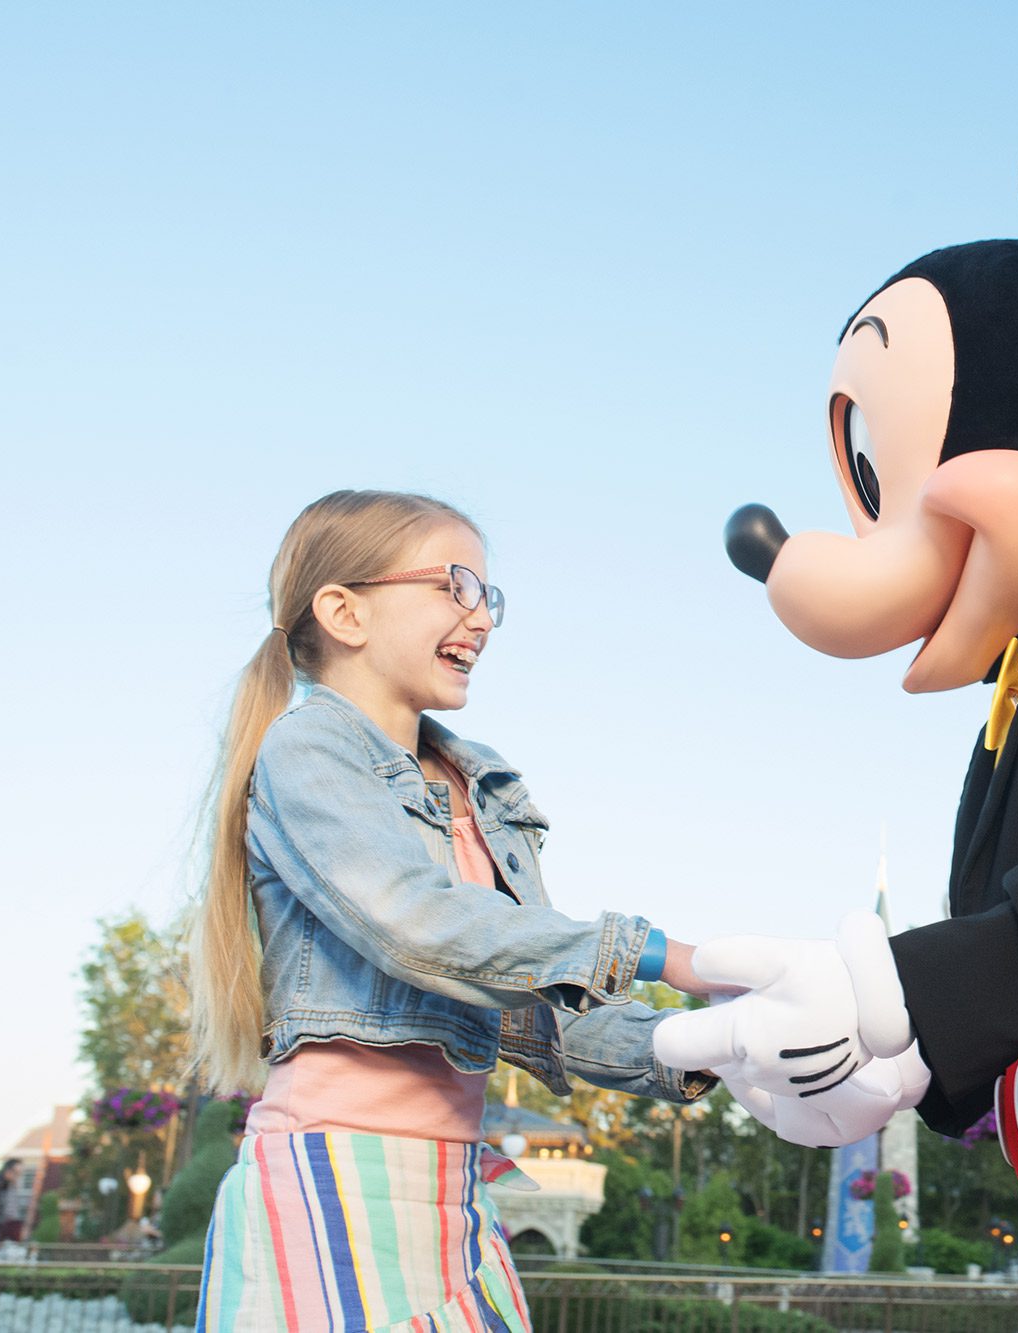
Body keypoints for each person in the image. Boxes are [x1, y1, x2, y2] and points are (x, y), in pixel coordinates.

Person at [187, 489, 718, 1332]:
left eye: (488, 596)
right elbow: (419, 925)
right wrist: (673, 956)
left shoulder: (482, 785)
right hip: (339, 1175)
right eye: (456, 585)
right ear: (343, 611)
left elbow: (540, 999)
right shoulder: (307, 747)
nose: (482, 616)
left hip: (453, 1187)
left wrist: (721, 1043)